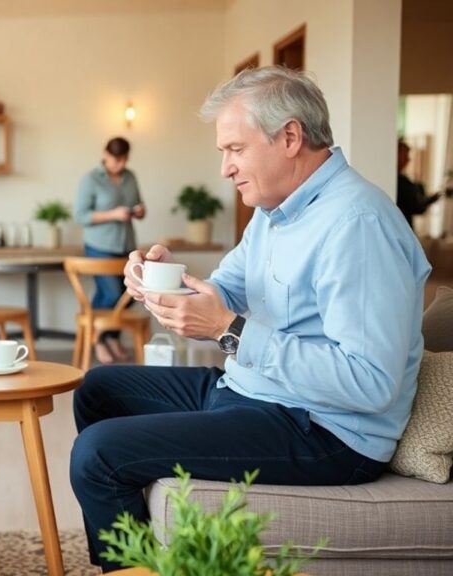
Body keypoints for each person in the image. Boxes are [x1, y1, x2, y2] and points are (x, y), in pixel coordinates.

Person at [69, 66, 431, 573]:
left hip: (324, 431)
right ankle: (146, 555)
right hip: (254, 391)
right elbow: (227, 289)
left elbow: (371, 383)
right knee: (97, 389)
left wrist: (229, 329)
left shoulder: (358, 224)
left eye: (234, 149)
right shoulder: (275, 210)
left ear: (289, 137)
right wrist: (161, 282)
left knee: (98, 453)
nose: (225, 168)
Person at [73, 136, 146, 364]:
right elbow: (80, 216)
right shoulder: (91, 179)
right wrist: (113, 215)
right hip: (99, 247)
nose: (120, 164)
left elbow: (138, 204)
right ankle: (98, 341)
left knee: (131, 293)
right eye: (116, 159)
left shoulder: (130, 177)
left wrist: (139, 211)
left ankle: (111, 338)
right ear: (105, 154)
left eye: (123, 159)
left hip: (126, 245)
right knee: (112, 293)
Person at [396, 138, 450, 228]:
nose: (408, 159)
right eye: (405, 155)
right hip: (401, 227)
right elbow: (417, 207)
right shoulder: (401, 182)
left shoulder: (403, 180)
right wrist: (431, 199)